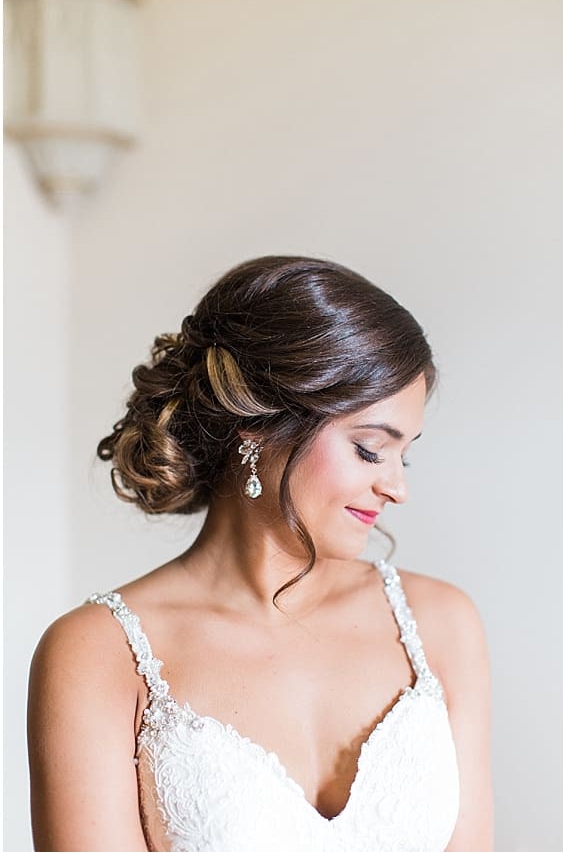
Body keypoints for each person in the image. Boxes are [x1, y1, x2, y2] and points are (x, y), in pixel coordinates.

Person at [27, 256, 494, 851]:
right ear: (257, 420)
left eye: (408, 455)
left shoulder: (441, 624)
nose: (398, 487)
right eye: (372, 450)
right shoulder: (98, 652)